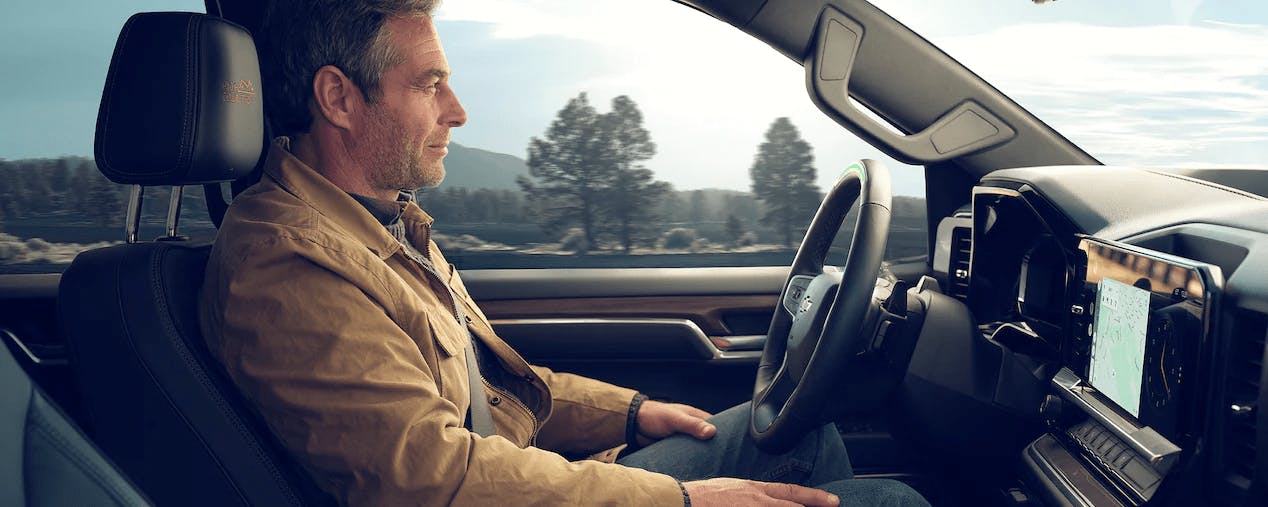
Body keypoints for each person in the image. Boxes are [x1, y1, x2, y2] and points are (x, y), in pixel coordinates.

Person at [199, 1, 932, 506]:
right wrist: (679, 497)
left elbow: (495, 387)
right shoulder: (286, 262)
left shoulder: (379, 226)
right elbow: (430, 481)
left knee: (802, 434)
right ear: (338, 98)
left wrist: (634, 412)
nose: (456, 110)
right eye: (430, 84)